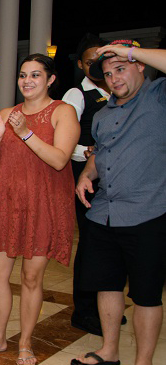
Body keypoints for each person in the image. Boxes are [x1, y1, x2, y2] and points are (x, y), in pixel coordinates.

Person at [70, 41, 166, 365]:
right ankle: (109, 350)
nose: (114, 79)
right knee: (107, 285)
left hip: (148, 212)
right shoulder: (103, 114)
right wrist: (86, 175)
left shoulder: (158, 98)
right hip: (104, 213)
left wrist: (129, 51)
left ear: (139, 66)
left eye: (120, 69)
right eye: (108, 74)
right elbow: (101, 152)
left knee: (145, 295)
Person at [0, 54, 79, 365]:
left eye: (35, 75)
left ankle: (27, 342)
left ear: (50, 80)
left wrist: (25, 133)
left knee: (31, 278)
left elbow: (60, 160)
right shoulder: (7, 113)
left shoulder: (63, 112)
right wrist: (0, 136)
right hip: (7, 204)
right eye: (22, 75)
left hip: (44, 205)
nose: (27, 81)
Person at [62, 34, 111, 336]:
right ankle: (84, 310)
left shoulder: (117, 92)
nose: (96, 66)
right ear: (81, 64)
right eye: (90, 61)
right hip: (84, 176)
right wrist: (87, 152)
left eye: (100, 60)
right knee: (92, 242)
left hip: (114, 178)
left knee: (109, 243)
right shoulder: (77, 94)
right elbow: (64, 139)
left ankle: (105, 305)